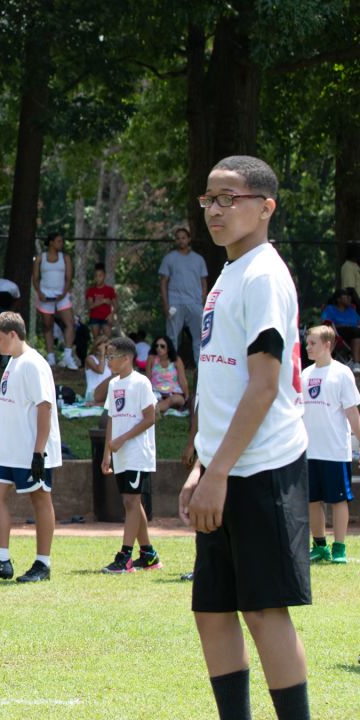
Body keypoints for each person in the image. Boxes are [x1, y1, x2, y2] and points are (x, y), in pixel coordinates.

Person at [178, 155, 311, 720]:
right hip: (226, 465)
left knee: (263, 611)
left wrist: (220, 473)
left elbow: (262, 386)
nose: (215, 210)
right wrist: (200, 466)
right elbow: (221, 376)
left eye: (228, 198)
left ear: (265, 206)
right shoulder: (231, 272)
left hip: (261, 468)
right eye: (209, 199)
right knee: (212, 609)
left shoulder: (263, 274)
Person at [0, 311, 62, 583]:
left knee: (40, 498)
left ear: (13, 335)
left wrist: (38, 451)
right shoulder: (13, 362)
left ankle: (43, 564)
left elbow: (45, 406)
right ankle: (1, 560)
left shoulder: (34, 363)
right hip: (10, 451)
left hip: (31, 450)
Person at [99, 336, 160, 574]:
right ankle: (149, 556)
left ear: (126, 359)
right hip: (120, 454)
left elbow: (149, 418)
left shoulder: (141, 382)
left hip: (137, 452)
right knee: (132, 501)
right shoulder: (114, 385)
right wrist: (107, 454)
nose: (108, 361)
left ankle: (125, 556)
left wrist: (123, 439)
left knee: (131, 501)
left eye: (111, 357)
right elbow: (112, 420)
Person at [301, 325, 360, 564]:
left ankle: (339, 548)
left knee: (338, 499)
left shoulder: (342, 373)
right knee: (313, 499)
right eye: (307, 343)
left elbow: (352, 413)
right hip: (309, 451)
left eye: (312, 343)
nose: (308, 347)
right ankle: (320, 546)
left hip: (335, 450)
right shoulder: (305, 375)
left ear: (328, 344)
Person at [159, 227, 210, 367]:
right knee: (171, 338)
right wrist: (165, 303)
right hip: (175, 303)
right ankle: (170, 370)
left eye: (183, 237)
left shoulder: (198, 260)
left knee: (200, 337)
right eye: (178, 238)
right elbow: (163, 282)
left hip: (195, 303)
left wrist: (203, 300)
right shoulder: (169, 258)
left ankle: (201, 370)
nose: (181, 240)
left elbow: (203, 281)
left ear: (188, 239)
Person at [31, 232, 79, 370]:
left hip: (62, 296)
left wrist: (63, 293)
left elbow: (69, 278)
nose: (61, 244)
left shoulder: (65, 258)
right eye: (58, 241)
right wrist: (39, 293)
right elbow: (35, 278)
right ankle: (51, 357)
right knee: (47, 325)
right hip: (45, 295)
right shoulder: (40, 258)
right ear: (51, 242)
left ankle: (67, 356)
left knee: (70, 323)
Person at [148, 335, 190, 414]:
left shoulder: (176, 360)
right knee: (152, 399)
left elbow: (182, 380)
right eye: (156, 346)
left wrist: (187, 395)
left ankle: (154, 410)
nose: (159, 348)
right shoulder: (151, 359)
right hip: (156, 392)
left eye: (162, 346)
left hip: (174, 393)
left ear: (168, 348)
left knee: (173, 400)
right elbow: (148, 378)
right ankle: (157, 407)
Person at [320, 289, 360, 371]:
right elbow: (326, 323)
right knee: (356, 332)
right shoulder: (330, 309)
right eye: (346, 296)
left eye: (350, 297)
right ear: (339, 299)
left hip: (354, 332)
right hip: (338, 333)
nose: (350, 299)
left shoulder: (351, 310)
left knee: (356, 331)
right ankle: (356, 363)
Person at [85, 262, 117, 342]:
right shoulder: (91, 290)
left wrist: (111, 314)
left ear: (104, 276)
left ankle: (107, 354)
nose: (98, 278)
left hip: (106, 318)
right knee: (97, 341)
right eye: (96, 276)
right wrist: (103, 301)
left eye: (100, 276)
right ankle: (96, 354)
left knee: (108, 340)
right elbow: (91, 306)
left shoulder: (110, 290)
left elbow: (116, 306)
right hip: (95, 318)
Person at [84, 337, 113, 403]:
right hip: (92, 393)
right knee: (112, 379)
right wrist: (102, 353)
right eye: (106, 347)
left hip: (105, 393)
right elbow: (100, 370)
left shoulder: (108, 360)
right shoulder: (90, 359)